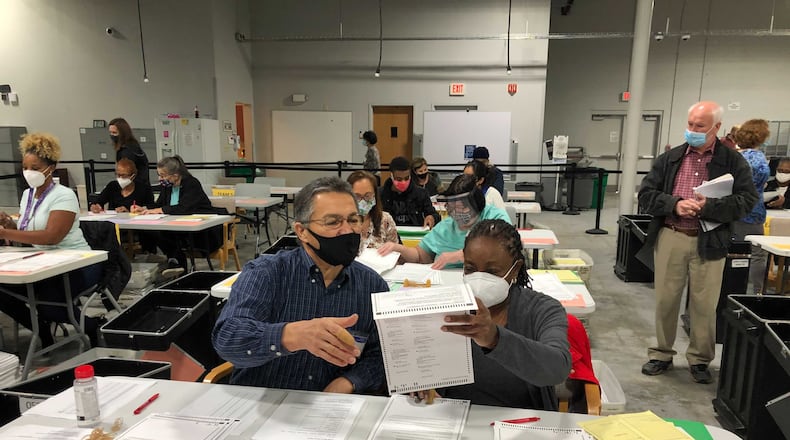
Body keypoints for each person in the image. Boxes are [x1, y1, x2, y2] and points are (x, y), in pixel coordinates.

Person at [212, 176, 389, 392]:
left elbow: (381, 355)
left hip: (331, 409)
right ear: (302, 231)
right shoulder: (267, 273)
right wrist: (292, 335)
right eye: (333, 222)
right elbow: (228, 337)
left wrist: (349, 382)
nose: (347, 230)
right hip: (264, 402)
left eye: (353, 220)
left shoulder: (372, 285)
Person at [638, 101, 758, 384]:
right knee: (666, 299)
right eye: (690, 124)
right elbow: (646, 194)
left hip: (710, 240)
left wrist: (709, 207)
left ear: (716, 127)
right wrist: (675, 204)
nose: (692, 130)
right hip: (672, 235)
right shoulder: (670, 159)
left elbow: (747, 201)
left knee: (704, 304)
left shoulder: (732, 161)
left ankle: (700, 360)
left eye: (700, 126)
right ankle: (661, 354)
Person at [415, 219, 570, 409]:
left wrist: (494, 339)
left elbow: (557, 368)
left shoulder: (542, 310)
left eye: (492, 271)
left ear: (515, 270)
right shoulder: (446, 309)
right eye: (470, 269)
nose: (479, 279)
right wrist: (418, 381)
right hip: (455, 420)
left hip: (522, 423)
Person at [0, 133, 104, 347]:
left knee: (51, 304)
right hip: (42, 261)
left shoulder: (64, 195)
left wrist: (5, 234)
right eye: (25, 167)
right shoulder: (28, 195)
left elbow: (51, 236)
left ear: (51, 167)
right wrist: (9, 224)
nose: (29, 173)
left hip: (78, 263)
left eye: (35, 168)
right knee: (3, 291)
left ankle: (93, 327)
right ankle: (41, 329)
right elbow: (26, 232)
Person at [379, 174, 511, 269]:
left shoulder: (494, 217)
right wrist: (398, 248)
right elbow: (420, 256)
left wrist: (460, 255)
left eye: (462, 208)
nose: (455, 213)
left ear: (477, 204)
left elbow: (504, 247)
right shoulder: (446, 227)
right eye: (451, 207)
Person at [133, 156, 220, 269]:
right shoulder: (167, 186)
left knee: (166, 234)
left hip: (200, 230)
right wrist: (144, 208)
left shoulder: (191, 184)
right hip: (174, 227)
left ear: (175, 175)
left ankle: (176, 263)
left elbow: (184, 208)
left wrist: (159, 210)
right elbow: (159, 205)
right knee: (151, 231)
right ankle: (175, 261)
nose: (160, 179)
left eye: (163, 175)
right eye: (159, 175)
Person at [732, 119, 770, 294]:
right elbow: (759, 186)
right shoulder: (760, 159)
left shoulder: (735, 157)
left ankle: (734, 289)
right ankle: (756, 293)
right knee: (757, 254)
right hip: (753, 212)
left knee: (735, 253)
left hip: (734, 210)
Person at [379, 156, 440, 228]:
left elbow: (434, 215)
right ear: (391, 175)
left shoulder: (421, 193)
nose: (403, 182)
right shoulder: (380, 194)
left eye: (406, 178)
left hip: (415, 235)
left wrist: (431, 218)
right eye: (399, 179)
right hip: (388, 235)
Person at [347, 170, 398, 253]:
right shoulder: (342, 223)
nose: (363, 201)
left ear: (375, 195)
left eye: (367, 196)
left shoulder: (385, 220)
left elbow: (395, 253)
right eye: (357, 197)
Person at [89, 158, 154, 213]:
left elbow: (150, 207)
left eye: (123, 175)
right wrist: (95, 207)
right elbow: (98, 201)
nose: (120, 178)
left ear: (133, 176)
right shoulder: (112, 186)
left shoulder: (144, 189)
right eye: (117, 175)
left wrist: (129, 211)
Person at [109, 118, 149, 185]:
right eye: (110, 132)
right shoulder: (132, 145)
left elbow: (126, 173)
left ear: (122, 133)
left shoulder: (127, 150)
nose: (112, 135)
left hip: (135, 186)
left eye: (114, 132)